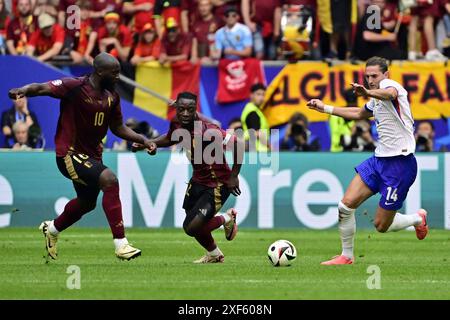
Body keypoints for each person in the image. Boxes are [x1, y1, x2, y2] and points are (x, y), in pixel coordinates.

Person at [8, 52, 156, 261]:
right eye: (114, 73)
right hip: (69, 154)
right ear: (99, 71)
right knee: (110, 180)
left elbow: (118, 127)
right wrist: (22, 90)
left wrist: (143, 139)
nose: (117, 78)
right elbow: (42, 87)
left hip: (92, 156)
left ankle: (52, 229)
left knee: (87, 203)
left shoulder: (112, 96)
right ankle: (121, 245)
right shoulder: (74, 86)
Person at [307, 56, 428, 265]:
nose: (371, 80)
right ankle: (346, 256)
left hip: (400, 164)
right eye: (368, 76)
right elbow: (359, 113)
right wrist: (325, 108)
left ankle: (417, 218)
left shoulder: (392, 87)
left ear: (385, 74)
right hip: (378, 160)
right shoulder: (375, 98)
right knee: (345, 206)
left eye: (375, 75)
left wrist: (368, 91)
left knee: (381, 226)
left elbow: (389, 94)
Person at [132, 92, 244, 263]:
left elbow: (239, 144)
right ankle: (214, 254)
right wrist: (149, 143)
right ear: (176, 107)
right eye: (181, 109)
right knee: (191, 218)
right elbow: (171, 138)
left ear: (195, 110)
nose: (185, 113)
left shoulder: (208, 130)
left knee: (191, 227)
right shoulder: (177, 123)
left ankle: (228, 218)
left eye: (189, 110)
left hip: (217, 184)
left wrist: (234, 176)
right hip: (198, 180)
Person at [240, 83, 270, 152]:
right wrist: (270, 146)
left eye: (263, 95)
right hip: (258, 150)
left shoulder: (254, 110)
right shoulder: (252, 111)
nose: (261, 98)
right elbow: (256, 132)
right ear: (251, 95)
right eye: (258, 94)